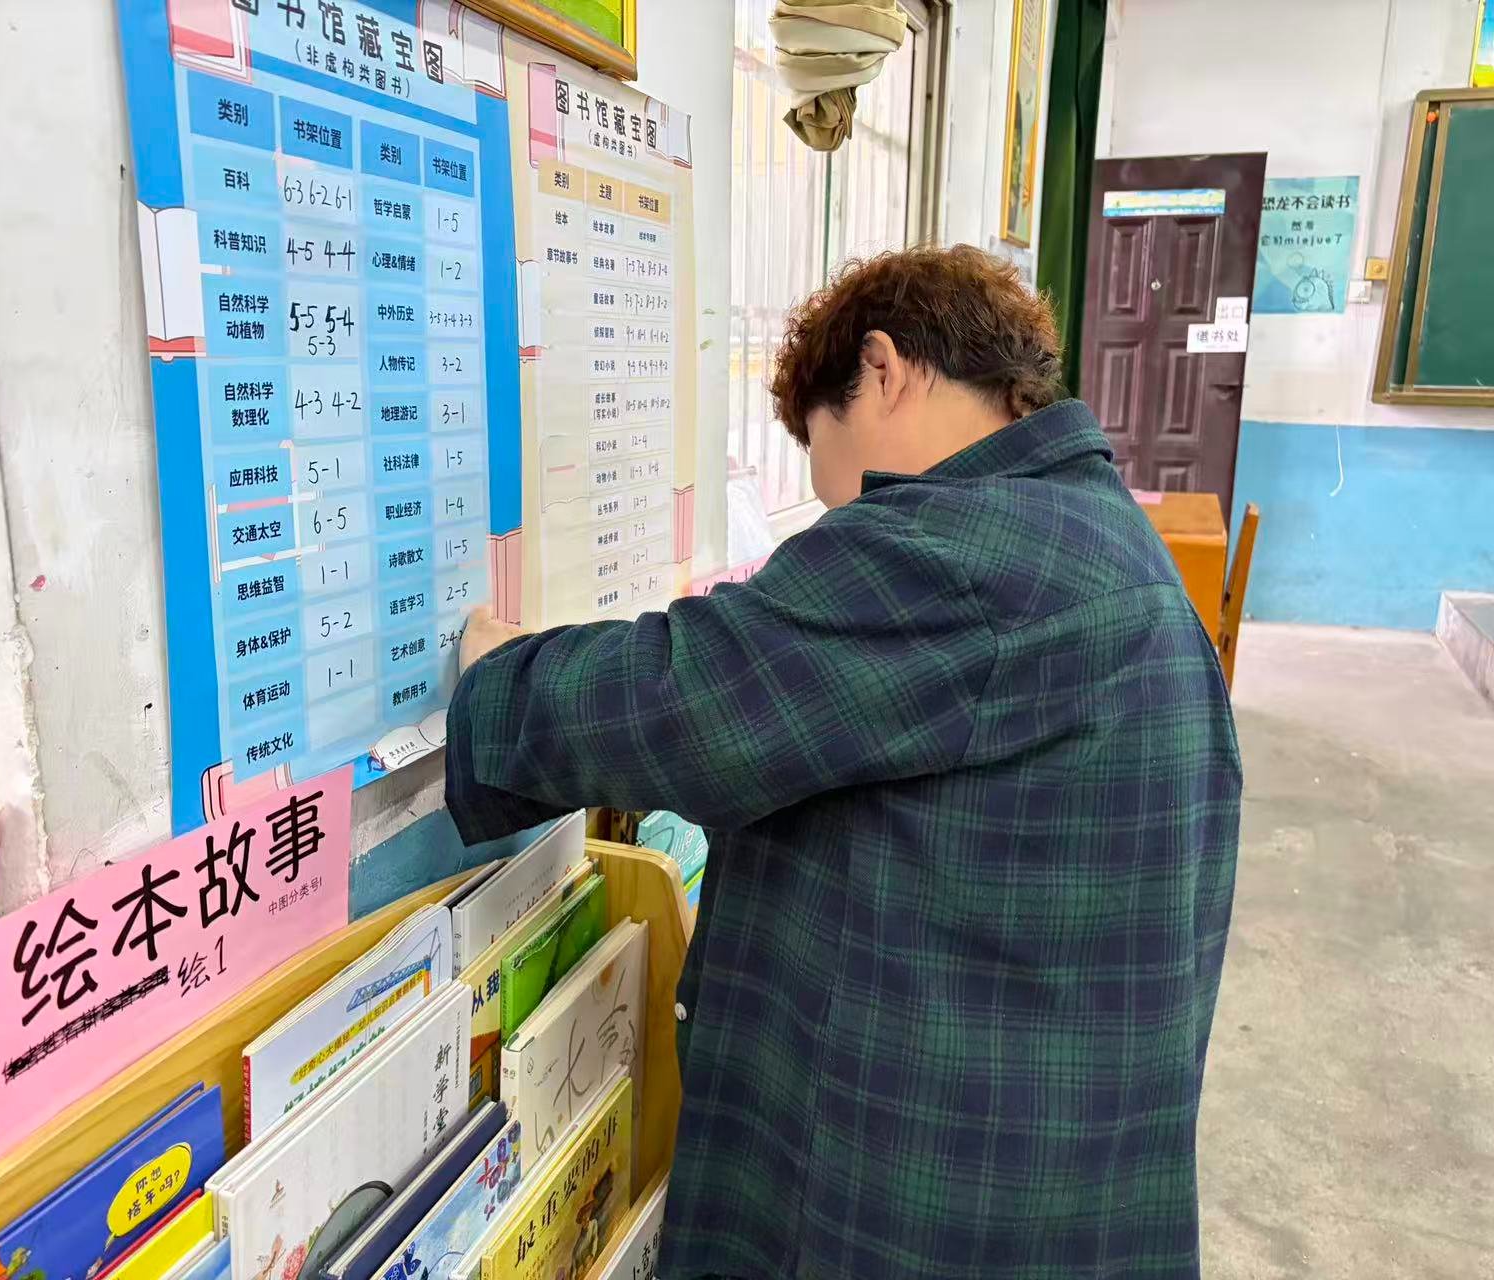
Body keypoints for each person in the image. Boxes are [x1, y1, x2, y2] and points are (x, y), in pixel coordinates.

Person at [446, 245, 1242, 1279]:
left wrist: (499, 678)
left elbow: (698, 699)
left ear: (882, 367)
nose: (846, 523)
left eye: (844, 487)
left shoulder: (957, 545)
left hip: (942, 1201)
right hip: (1061, 1161)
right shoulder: (1096, 530)